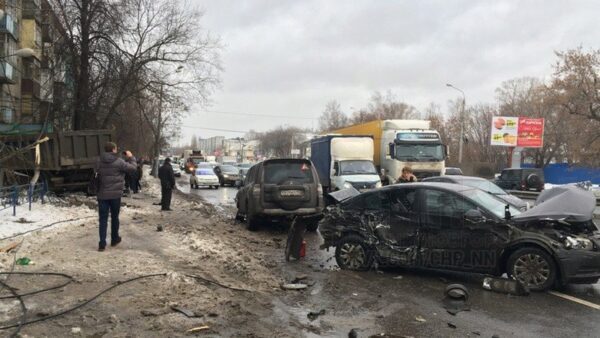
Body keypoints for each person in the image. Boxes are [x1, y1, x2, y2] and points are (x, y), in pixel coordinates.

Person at [96, 142, 137, 251]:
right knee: (114, 217)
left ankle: (102, 243)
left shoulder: (98, 160)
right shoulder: (119, 161)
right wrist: (131, 157)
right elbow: (133, 168)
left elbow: (96, 172)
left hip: (102, 194)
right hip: (115, 195)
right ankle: (114, 239)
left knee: (103, 219)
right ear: (113, 149)